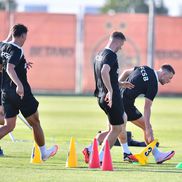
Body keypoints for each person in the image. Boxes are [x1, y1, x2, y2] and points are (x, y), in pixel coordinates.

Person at [86, 65, 175, 164]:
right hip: (126, 105)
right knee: (142, 127)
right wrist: (149, 127)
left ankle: (89, 148)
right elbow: (147, 107)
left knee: (113, 130)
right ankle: (157, 155)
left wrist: (115, 89)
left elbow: (126, 72)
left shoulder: (144, 68)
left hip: (117, 99)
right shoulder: (153, 84)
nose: (169, 81)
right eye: (169, 78)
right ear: (163, 73)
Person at [0, 24, 58, 161]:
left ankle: (43, 152)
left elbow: (4, 65)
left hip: (5, 92)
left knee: (9, 126)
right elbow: (9, 68)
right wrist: (19, 85)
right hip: (20, 93)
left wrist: (23, 66)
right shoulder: (17, 50)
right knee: (35, 122)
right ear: (23, 36)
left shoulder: (2, 47)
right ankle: (43, 153)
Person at [82, 31, 137, 164]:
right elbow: (104, 71)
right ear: (117, 41)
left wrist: (120, 83)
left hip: (101, 96)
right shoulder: (111, 55)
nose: (121, 48)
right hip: (110, 98)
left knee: (117, 125)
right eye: (121, 44)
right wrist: (111, 91)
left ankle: (90, 149)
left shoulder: (99, 55)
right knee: (117, 129)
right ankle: (100, 159)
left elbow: (106, 75)